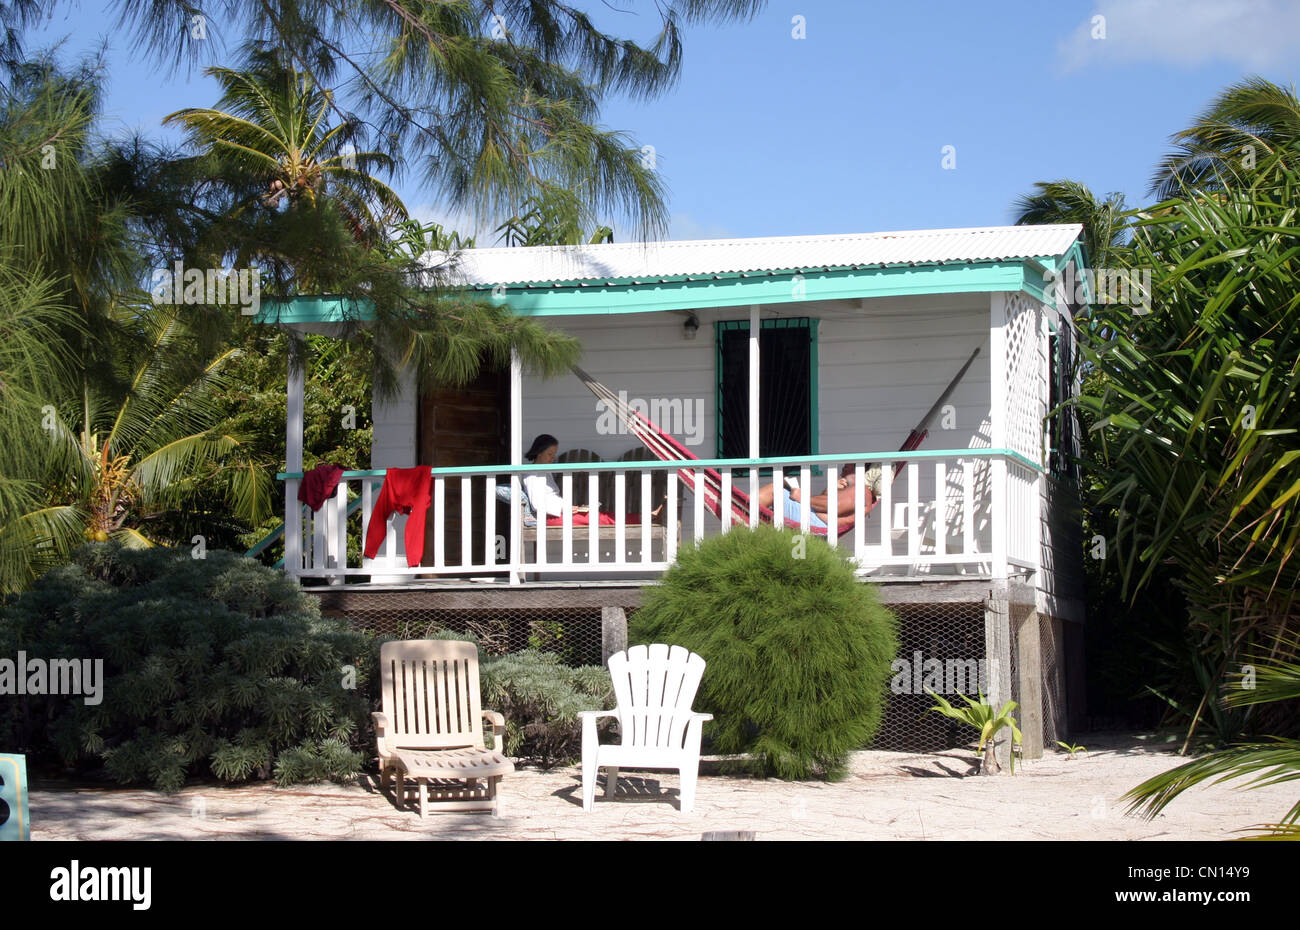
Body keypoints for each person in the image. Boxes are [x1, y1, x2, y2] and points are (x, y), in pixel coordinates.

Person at [756, 464, 883, 530]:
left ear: (860, 471)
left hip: (816, 523)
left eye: (847, 469)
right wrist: (830, 490)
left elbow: (834, 506)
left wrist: (802, 497)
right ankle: (743, 511)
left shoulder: (862, 490)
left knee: (774, 490)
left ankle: (742, 509)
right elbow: (828, 506)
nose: (843, 471)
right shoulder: (856, 492)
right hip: (817, 520)